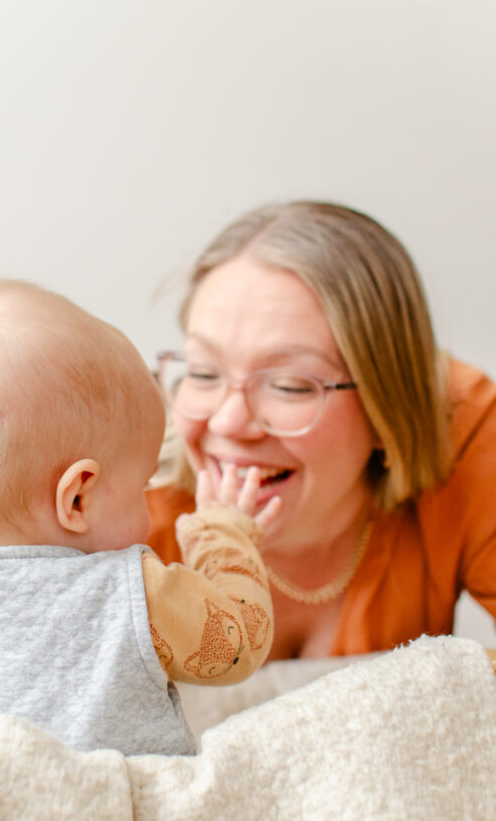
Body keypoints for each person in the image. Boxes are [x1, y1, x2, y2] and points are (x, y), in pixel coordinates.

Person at [0, 279, 279, 754]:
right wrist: (225, 530)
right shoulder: (132, 593)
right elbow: (237, 643)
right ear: (77, 498)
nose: (149, 501)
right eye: (142, 484)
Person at [148, 200, 496, 660]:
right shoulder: (119, 509)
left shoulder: (469, 434)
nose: (228, 422)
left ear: (386, 407)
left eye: (290, 386)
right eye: (204, 373)